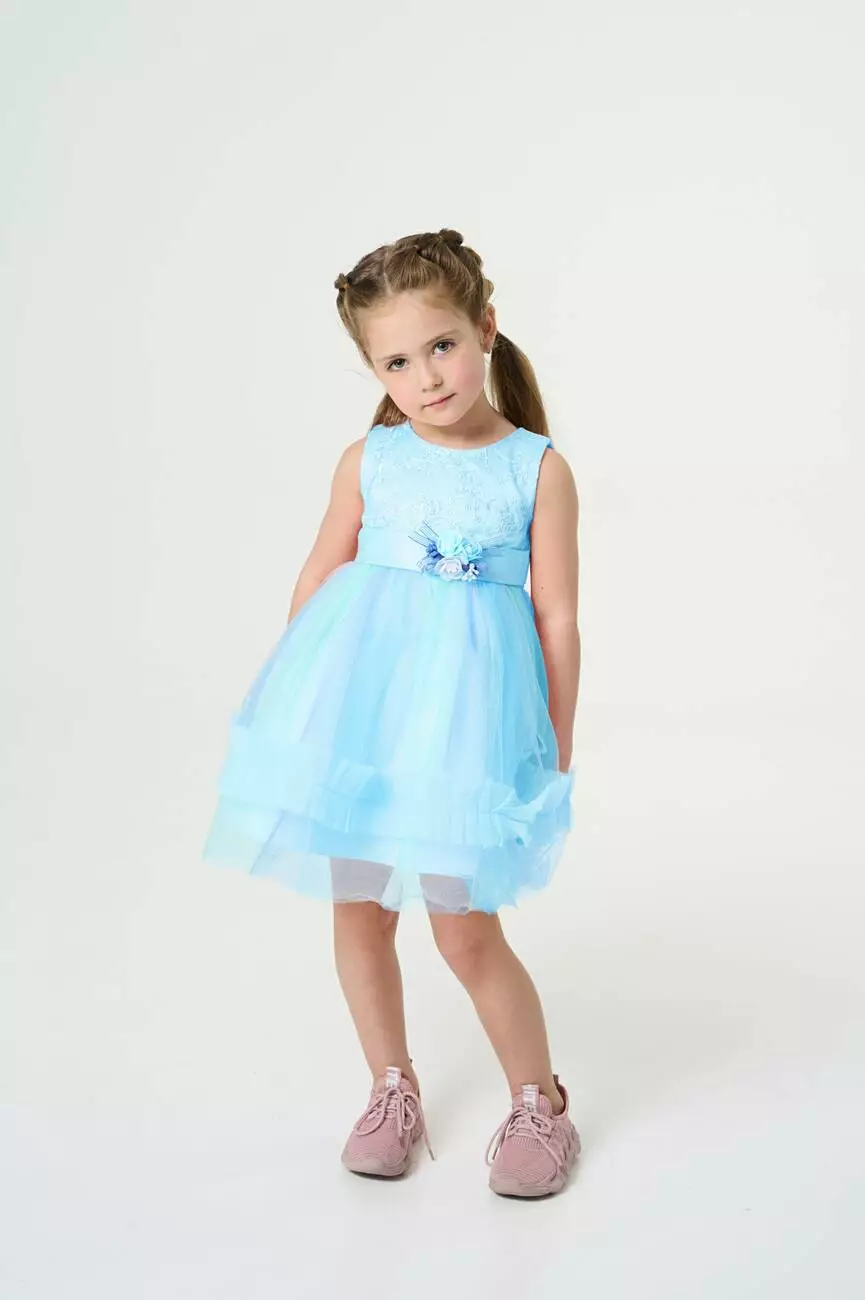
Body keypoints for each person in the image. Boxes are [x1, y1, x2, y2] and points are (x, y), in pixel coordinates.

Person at [203, 227, 582, 1198]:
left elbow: (556, 619)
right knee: (362, 912)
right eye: (396, 362)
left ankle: (538, 1100)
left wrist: (553, 745)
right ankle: (390, 1083)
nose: (426, 376)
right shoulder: (369, 459)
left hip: (465, 735)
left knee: (463, 930)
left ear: (485, 327)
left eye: (441, 345)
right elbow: (318, 576)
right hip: (364, 725)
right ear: (373, 370)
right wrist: (299, 710)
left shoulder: (535, 468)